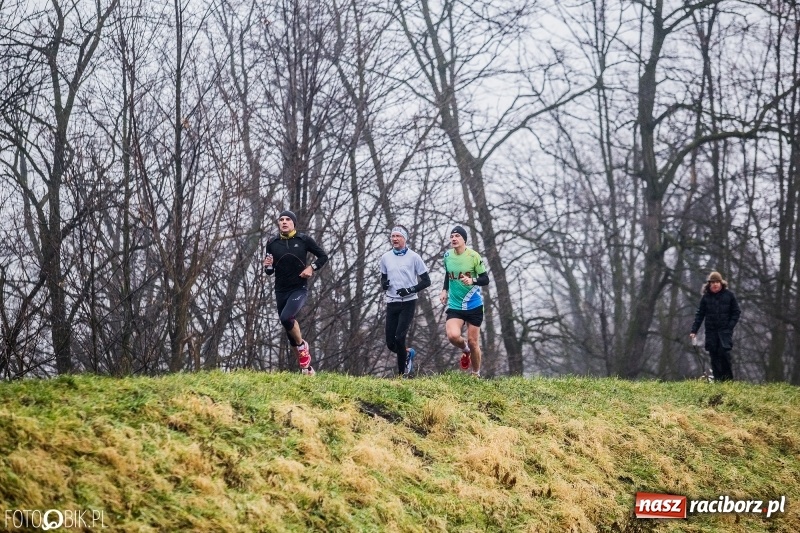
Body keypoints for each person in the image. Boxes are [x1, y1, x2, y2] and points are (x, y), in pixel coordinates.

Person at [263, 210, 328, 375]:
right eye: (281, 219)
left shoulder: (303, 240)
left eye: (288, 220)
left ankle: (302, 347)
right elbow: (270, 270)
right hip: (280, 289)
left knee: (286, 317)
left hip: (298, 288)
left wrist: (311, 268)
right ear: (278, 223)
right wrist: (268, 266)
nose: (284, 222)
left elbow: (323, 256)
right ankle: (306, 369)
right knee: (287, 326)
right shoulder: (272, 242)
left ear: (293, 223)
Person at [379, 225, 431, 377]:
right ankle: (408, 353)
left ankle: (402, 375)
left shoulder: (414, 257)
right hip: (392, 302)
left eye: (398, 236)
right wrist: (384, 284)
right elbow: (383, 277)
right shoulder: (385, 257)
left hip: (408, 302)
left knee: (399, 337)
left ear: (405, 239)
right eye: (393, 236)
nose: (395, 239)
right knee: (390, 343)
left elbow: (426, 281)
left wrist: (410, 289)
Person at [439, 226, 489, 377]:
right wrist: (444, 290)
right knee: (453, 336)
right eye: (452, 236)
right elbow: (448, 275)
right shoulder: (447, 256)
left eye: (457, 236)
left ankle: (475, 374)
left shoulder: (474, 256)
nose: (454, 238)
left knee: (474, 342)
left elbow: (485, 279)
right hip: (455, 305)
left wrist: (472, 280)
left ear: (464, 240)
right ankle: (465, 350)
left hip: (474, 305)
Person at [689, 271, 741, 382]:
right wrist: (694, 330)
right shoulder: (706, 298)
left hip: (724, 332)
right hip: (711, 332)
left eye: (717, 282)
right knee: (714, 357)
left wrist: (729, 327)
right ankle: (718, 382)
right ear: (709, 284)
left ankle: (728, 381)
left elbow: (736, 312)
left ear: (721, 283)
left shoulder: (729, 296)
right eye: (713, 282)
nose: (715, 284)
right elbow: (700, 314)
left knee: (724, 355)